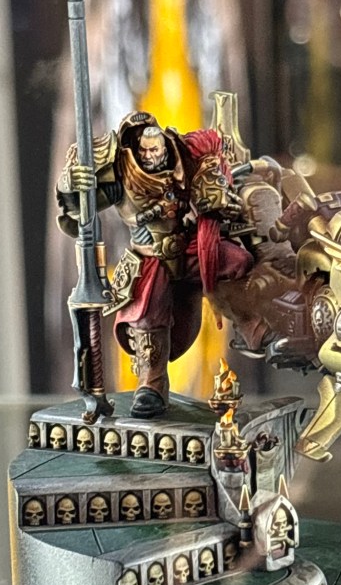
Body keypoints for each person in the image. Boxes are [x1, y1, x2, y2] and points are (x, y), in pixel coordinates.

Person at [56, 110, 252, 417]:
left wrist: (218, 197)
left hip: (189, 247)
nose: (149, 156)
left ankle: (252, 328)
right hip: (151, 257)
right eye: (143, 151)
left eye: (155, 149)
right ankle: (152, 384)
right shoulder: (122, 175)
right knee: (147, 314)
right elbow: (82, 209)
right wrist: (71, 186)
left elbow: (213, 177)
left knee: (237, 262)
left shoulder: (184, 155)